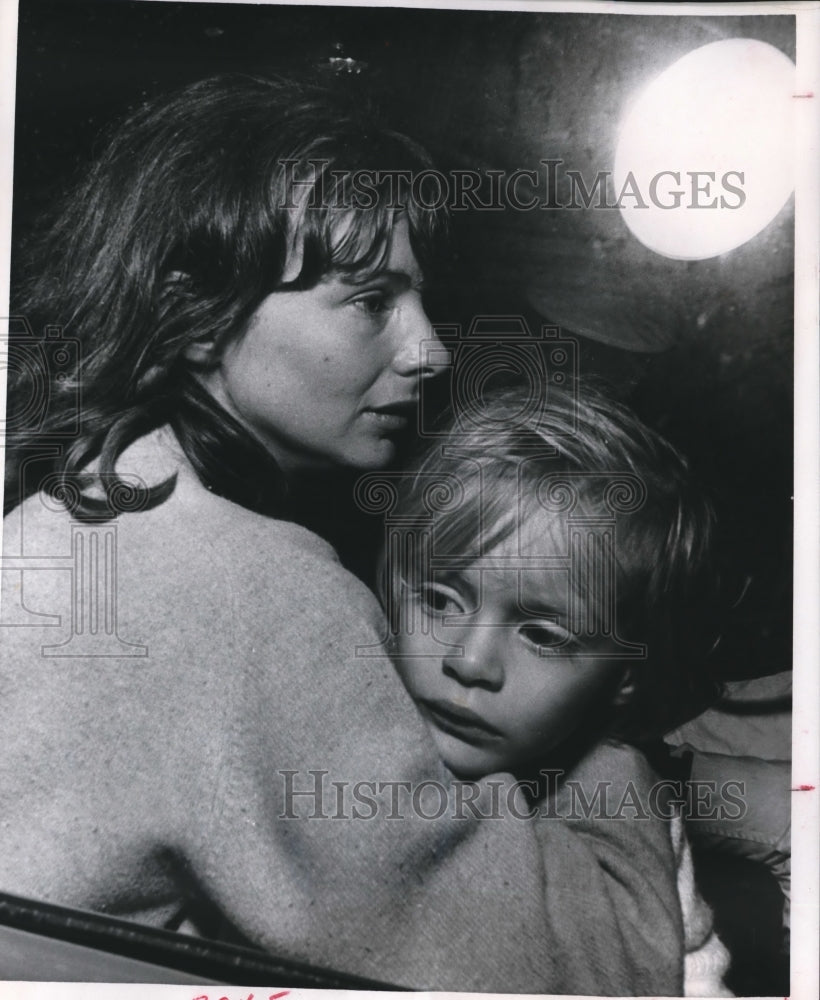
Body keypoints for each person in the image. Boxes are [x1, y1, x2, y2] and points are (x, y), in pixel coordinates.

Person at [1, 75, 685, 993]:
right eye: (372, 302)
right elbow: (602, 965)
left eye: (419, 300)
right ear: (198, 315)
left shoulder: (88, 501)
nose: (429, 348)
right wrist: (611, 766)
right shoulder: (250, 593)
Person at [379, 384, 732, 995]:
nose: (470, 661)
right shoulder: (344, 741)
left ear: (624, 678)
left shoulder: (624, 814)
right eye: (439, 599)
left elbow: (689, 976)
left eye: (542, 634)